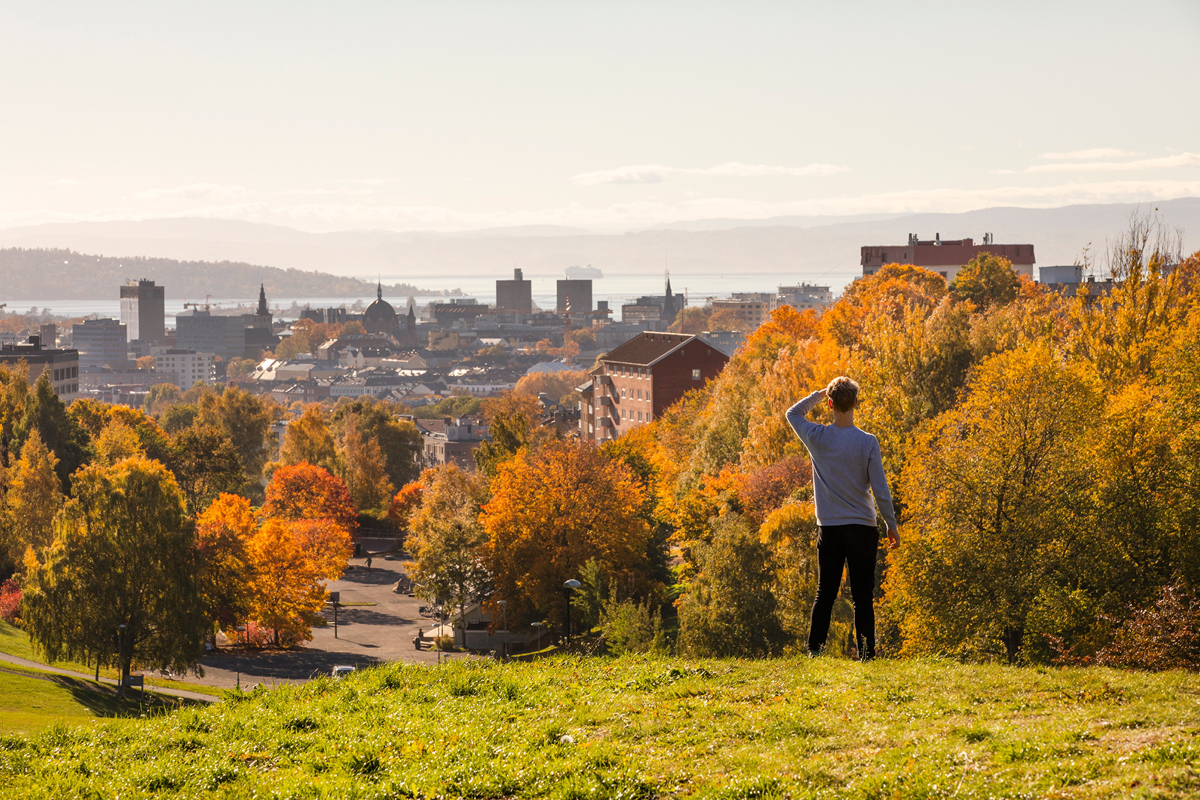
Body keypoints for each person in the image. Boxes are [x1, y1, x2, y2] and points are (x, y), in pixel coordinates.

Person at [786, 376, 899, 660]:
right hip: (863, 527)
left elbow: (792, 413)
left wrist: (818, 394)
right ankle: (866, 654)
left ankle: (815, 651)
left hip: (831, 528)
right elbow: (880, 489)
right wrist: (891, 524)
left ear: (831, 403)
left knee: (826, 592)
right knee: (862, 595)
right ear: (857, 403)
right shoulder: (868, 442)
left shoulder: (817, 437)